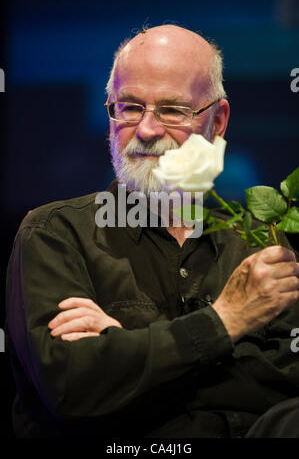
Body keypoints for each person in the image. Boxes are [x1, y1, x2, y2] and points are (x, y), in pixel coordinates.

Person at [5, 24, 299, 438]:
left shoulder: (258, 238)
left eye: (172, 110)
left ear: (218, 121)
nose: (145, 130)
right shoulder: (53, 234)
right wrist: (226, 321)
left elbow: (291, 382)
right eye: (128, 107)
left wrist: (128, 353)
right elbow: (71, 391)